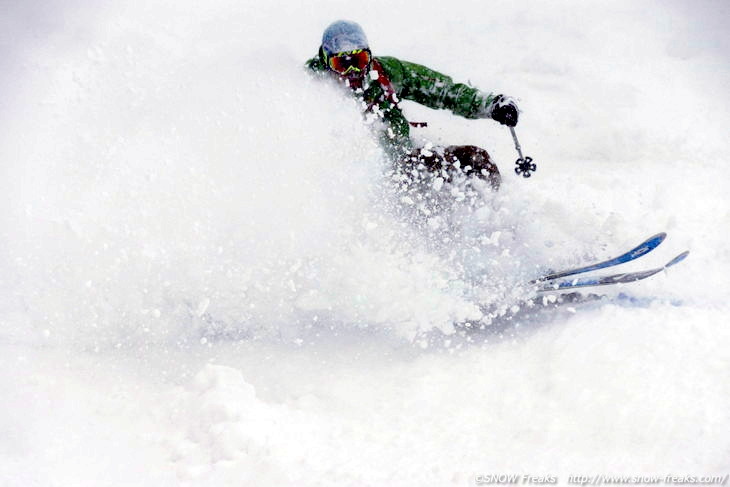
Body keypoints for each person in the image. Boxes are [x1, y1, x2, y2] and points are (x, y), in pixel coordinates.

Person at [305, 20, 520, 190]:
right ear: (326, 61)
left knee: (476, 159)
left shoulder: (385, 74)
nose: (353, 72)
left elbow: (443, 91)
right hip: (367, 181)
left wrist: (492, 106)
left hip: (404, 158)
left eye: (360, 61)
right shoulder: (310, 86)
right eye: (342, 64)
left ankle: (496, 220)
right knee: (428, 169)